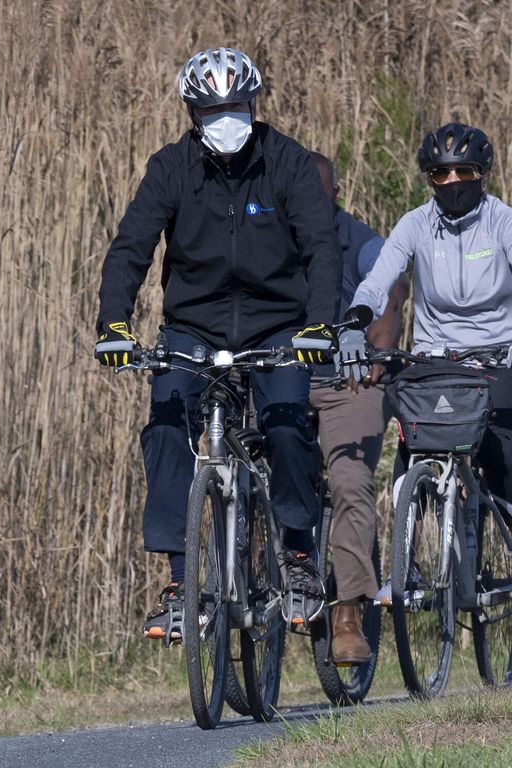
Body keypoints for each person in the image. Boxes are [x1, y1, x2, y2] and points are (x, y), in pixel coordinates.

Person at [94, 47, 342, 644]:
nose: (224, 118)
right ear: (192, 112)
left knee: (286, 427)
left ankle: (301, 558)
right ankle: (181, 582)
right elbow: (132, 246)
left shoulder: (287, 162)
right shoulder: (170, 167)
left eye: (235, 106)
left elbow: (321, 248)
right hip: (193, 327)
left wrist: (318, 324)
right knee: (164, 424)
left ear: (253, 106)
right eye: (211, 109)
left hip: (278, 325)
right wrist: (113, 324)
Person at [351, 123, 512, 577]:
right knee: (414, 438)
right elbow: (378, 281)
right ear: (429, 179)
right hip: (434, 357)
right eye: (442, 173)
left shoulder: (503, 221)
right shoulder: (416, 224)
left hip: (498, 355)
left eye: (465, 171)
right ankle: (408, 560)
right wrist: (356, 321)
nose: (454, 181)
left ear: (483, 174)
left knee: (501, 452)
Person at [309, 152, 408, 665]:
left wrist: (382, 341)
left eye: (319, 195)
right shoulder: (272, 242)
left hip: (349, 381)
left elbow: (392, 286)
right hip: (283, 380)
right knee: (255, 466)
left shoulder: (359, 239)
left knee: (349, 481)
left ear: (336, 196)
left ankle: (348, 612)